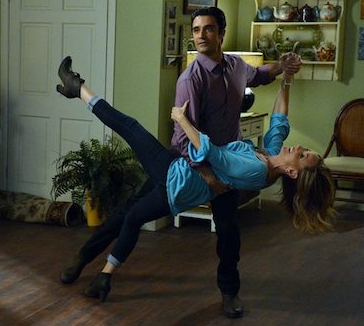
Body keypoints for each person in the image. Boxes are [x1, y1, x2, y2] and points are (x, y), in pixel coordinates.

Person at [55, 55, 335, 305]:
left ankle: (78, 88)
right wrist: (286, 79)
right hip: (183, 166)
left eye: (303, 155)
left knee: (130, 128)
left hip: (180, 173)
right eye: (305, 149)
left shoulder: (255, 167)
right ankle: (87, 262)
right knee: (130, 215)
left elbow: (211, 152)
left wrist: (181, 118)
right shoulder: (271, 159)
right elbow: (279, 122)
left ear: (293, 173)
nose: (299, 148)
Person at [171, 6, 303, 318]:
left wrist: (282, 67)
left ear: (222, 33)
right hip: (196, 166)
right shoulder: (191, 78)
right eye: (196, 30)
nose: (201, 35)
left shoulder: (236, 66)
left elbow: (261, 75)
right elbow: (183, 137)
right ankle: (95, 263)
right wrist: (206, 175)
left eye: (208, 29)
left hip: (229, 166)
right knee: (138, 213)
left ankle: (229, 293)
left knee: (229, 232)